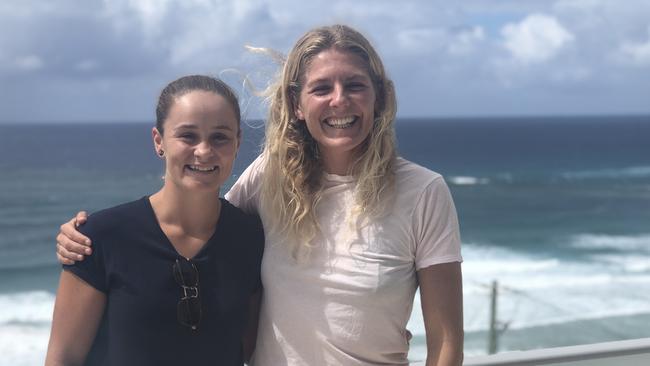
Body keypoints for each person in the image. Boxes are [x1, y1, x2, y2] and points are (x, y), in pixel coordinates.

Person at [55, 25, 464, 365]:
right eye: (321, 88)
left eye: (354, 85)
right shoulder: (271, 175)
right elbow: (200, 223)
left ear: (381, 97)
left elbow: (447, 344)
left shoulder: (424, 192)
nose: (339, 99)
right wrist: (93, 236)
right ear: (297, 104)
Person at [46, 75, 264, 366]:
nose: (203, 150)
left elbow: (248, 351)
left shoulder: (251, 239)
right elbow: (64, 358)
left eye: (219, 137)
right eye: (188, 135)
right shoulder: (98, 238)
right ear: (159, 141)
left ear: (237, 143)